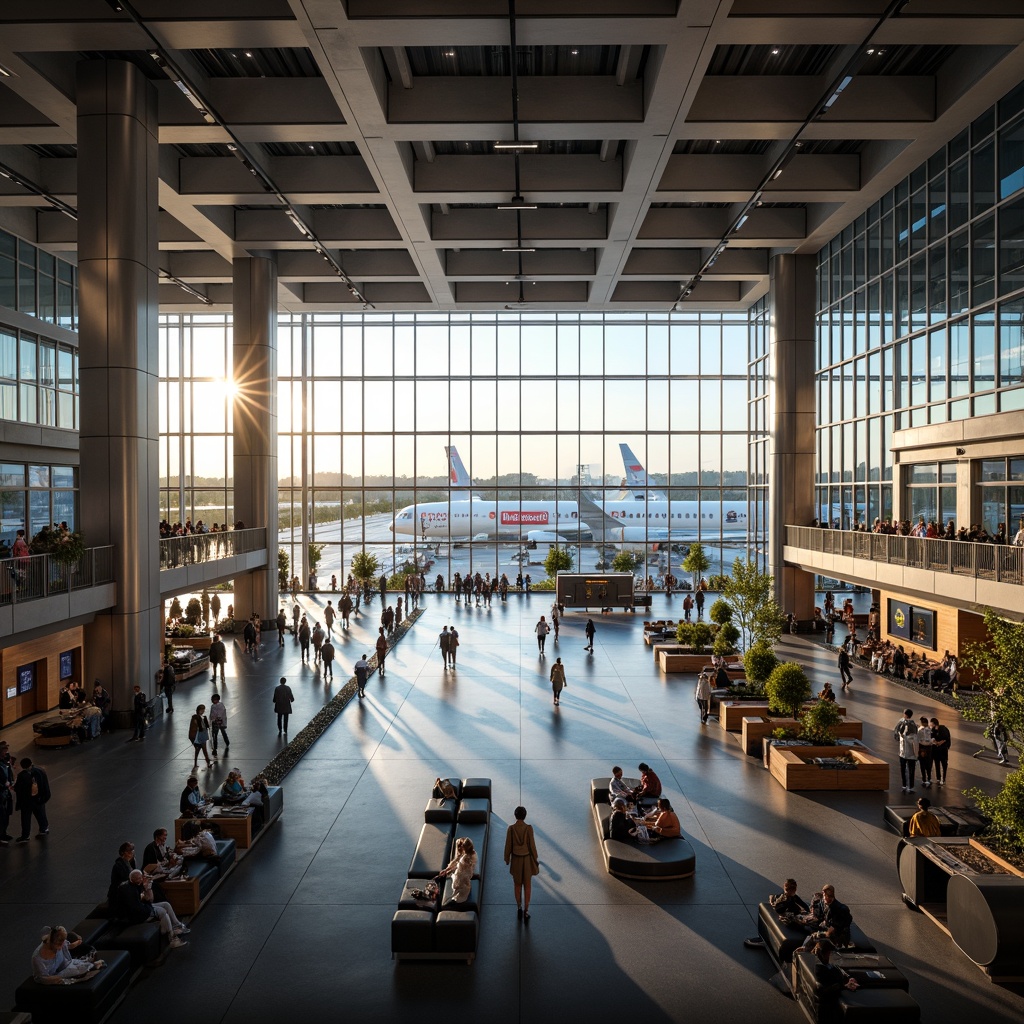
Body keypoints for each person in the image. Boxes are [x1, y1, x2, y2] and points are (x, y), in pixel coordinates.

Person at [111, 869, 188, 948]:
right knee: (162, 911)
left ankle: (176, 925)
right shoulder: (127, 890)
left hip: (142, 907)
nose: (141, 879)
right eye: (138, 878)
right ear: (132, 879)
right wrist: (150, 909)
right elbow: (136, 909)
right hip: (133, 916)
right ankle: (172, 939)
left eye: (141, 877)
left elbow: (150, 900)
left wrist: (147, 888)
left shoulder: (138, 884)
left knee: (166, 905)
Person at [31, 925, 105, 984]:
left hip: (65, 966)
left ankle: (92, 966)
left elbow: (69, 946)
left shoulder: (60, 942)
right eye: (60, 943)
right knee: (79, 971)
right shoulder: (38, 958)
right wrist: (59, 978)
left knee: (87, 955)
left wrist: (78, 942)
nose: (62, 945)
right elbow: (43, 978)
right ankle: (91, 967)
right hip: (54, 976)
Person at [504, 805, 539, 921]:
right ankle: (526, 910)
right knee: (527, 885)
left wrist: (507, 858)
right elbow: (532, 846)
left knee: (517, 885)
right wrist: (535, 858)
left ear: (515, 815)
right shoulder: (529, 828)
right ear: (525, 816)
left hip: (516, 860)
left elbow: (508, 845)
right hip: (527, 860)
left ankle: (518, 906)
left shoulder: (511, 829)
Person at [799, 884, 853, 948]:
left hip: (837, 935)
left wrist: (819, 934)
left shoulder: (840, 909)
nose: (824, 898)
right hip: (826, 927)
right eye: (824, 895)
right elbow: (819, 916)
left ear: (831, 896)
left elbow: (833, 930)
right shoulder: (823, 902)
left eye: (827, 896)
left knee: (814, 938)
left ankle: (804, 949)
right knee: (805, 926)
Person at [14, 756, 50, 842]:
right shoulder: (41, 771)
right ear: (31, 763)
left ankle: (25, 836)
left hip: (26, 801)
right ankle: (44, 829)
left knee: (26, 818)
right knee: (40, 814)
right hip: (39, 798)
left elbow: (18, 788)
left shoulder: (22, 776)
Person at [437, 836, 477, 908]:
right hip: (461, 874)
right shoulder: (470, 854)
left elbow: (459, 867)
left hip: (462, 878)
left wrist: (448, 871)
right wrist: (446, 870)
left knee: (458, 892)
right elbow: (457, 861)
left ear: (464, 847)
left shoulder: (466, 859)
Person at [894, 708, 919, 792]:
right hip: (911, 753)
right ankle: (910, 786)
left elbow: (896, 734)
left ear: (905, 714)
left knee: (903, 769)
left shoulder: (902, 723)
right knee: (911, 770)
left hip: (903, 752)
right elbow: (915, 740)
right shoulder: (914, 725)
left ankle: (904, 785)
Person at [189, 704, 212, 770]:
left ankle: (197, 763)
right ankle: (207, 763)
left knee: (199, 750)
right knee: (202, 750)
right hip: (199, 736)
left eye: (203, 710)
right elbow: (197, 726)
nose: (202, 711)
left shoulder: (202, 717)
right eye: (201, 710)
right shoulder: (195, 718)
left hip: (202, 736)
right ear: (198, 710)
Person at [0, 740, 15, 845]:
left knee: (6, 814)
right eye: (4, 750)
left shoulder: (5, 761)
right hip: (1, 792)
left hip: (5, 792)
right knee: (1, 814)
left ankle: (4, 832)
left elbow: (9, 772)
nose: (6, 752)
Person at [929, 716, 951, 785]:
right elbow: (932, 737)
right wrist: (935, 742)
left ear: (934, 723)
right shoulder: (933, 730)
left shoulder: (943, 729)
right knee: (937, 764)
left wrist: (939, 743)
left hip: (943, 750)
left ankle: (943, 778)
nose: (930, 725)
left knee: (944, 764)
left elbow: (945, 738)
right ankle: (938, 778)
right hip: (936, 750)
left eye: (931, 723)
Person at [209, 693, 229, 757]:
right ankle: (215, 748)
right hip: (215, 722)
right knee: (215, 735)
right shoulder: (213, 706)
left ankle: (226, 742)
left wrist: (217, 719)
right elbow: (211, 714)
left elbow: (220, 714)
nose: (213, 701)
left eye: (214, 699)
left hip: (219, 722)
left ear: (217, 700)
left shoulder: (220, 706)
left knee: (220, 733)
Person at [916, 716, 933, 786]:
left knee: (923, 764)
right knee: (927, 764)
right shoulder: (929, 729)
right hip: (927, 747)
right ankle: (928, 778)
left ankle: (925, 778)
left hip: (923, 747)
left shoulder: (920, 730)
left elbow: (917, 739)